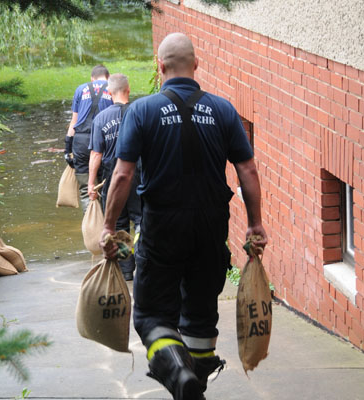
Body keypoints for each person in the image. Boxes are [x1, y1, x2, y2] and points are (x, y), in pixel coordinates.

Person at [99, 33, 268, 400]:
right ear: (196, 64)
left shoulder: (142, 111)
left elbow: (123, 175)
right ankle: (194, 386)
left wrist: (110, 227)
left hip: (163, 227)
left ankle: (177, 372)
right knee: (200, 319)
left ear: (160, 68)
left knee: (151, 317)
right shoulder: (223, 110)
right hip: (211, 230)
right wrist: (255, 224)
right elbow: (249, 172)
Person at [87, 73, 141, 281]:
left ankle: (126, 270)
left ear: (109, 94)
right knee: (140, 221)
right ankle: (143, 262)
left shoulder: (101, 118)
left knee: (118, 224)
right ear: (128, 90)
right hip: (139, 176)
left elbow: (96, 155)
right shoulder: (139, 112)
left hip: (112, 179)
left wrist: (91, 184)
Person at [64, 65, 113, 213]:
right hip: (104, 140)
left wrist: (68, 149)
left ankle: (90, 222)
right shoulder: (112, 87)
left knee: (86, 189)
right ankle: (108, 226)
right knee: (106, 185)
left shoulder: (80, 89)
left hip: (81, 141)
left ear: (92, 78)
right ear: (108, 77)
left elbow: (74, 122)